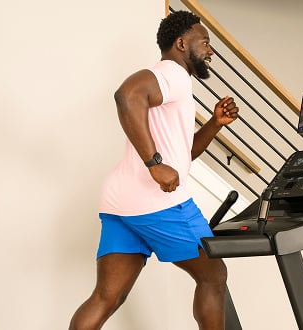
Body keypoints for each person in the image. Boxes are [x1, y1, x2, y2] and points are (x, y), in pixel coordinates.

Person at [69, 10, 239, 330]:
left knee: (107, 297)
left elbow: (183, 153)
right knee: (213, 275)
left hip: (120, 202)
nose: (210, 50)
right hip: (156, 202)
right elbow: (127, 95)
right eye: (204, 42)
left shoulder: (176, 85)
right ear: (180, 43)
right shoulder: (172, 74)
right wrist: (155, 165)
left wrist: (215, 124)